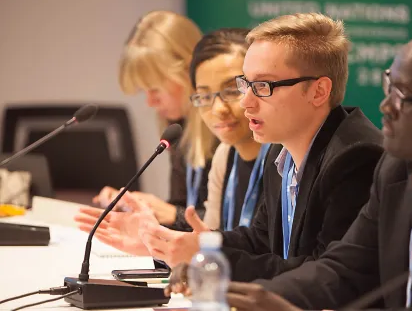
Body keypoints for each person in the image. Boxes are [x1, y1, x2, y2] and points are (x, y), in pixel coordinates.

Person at [197, 24, 412, 311]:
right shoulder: (396, 170)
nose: (386, 106)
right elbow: (344, 268)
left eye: (404, 97)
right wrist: (264, 297)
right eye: (390, 86)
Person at [138, 12, 385, 278]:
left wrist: (209, 258)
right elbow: (261, 240)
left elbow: (327, 273)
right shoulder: (281, 149)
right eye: (246, 84)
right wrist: (199, 243)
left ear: (319, 91)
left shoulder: (356, 158)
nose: (246, 102)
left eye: (264, 85)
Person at [74, 28, 271, 256]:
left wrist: (169, 226)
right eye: (206, 96)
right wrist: (155, 245)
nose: (218, 108)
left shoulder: (283, 158)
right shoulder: (224, 154)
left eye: (231, 90)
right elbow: (210, 239)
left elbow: (274, 256)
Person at [87, 10, 218, 231]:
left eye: (155, 89)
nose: (149, 102)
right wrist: (141, 208)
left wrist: (171, 213)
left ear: (188, 71)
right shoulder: (179, 128)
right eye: (144, 91)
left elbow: (237, 223)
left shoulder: (227, 128)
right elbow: (184, 208)